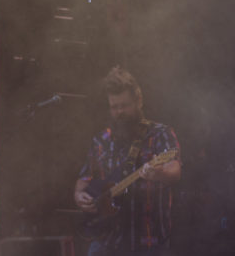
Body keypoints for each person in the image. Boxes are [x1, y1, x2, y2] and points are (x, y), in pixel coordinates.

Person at [74, 66, 182, 256]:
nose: (120, 111)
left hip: (149, 242)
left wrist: (159, 173)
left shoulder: (160, 134)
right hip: (106, 243)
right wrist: (79, 195)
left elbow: (175, 170)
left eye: (125, 105)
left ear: (139, 101)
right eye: (114, 107)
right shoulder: (101, 140)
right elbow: (84, 179)